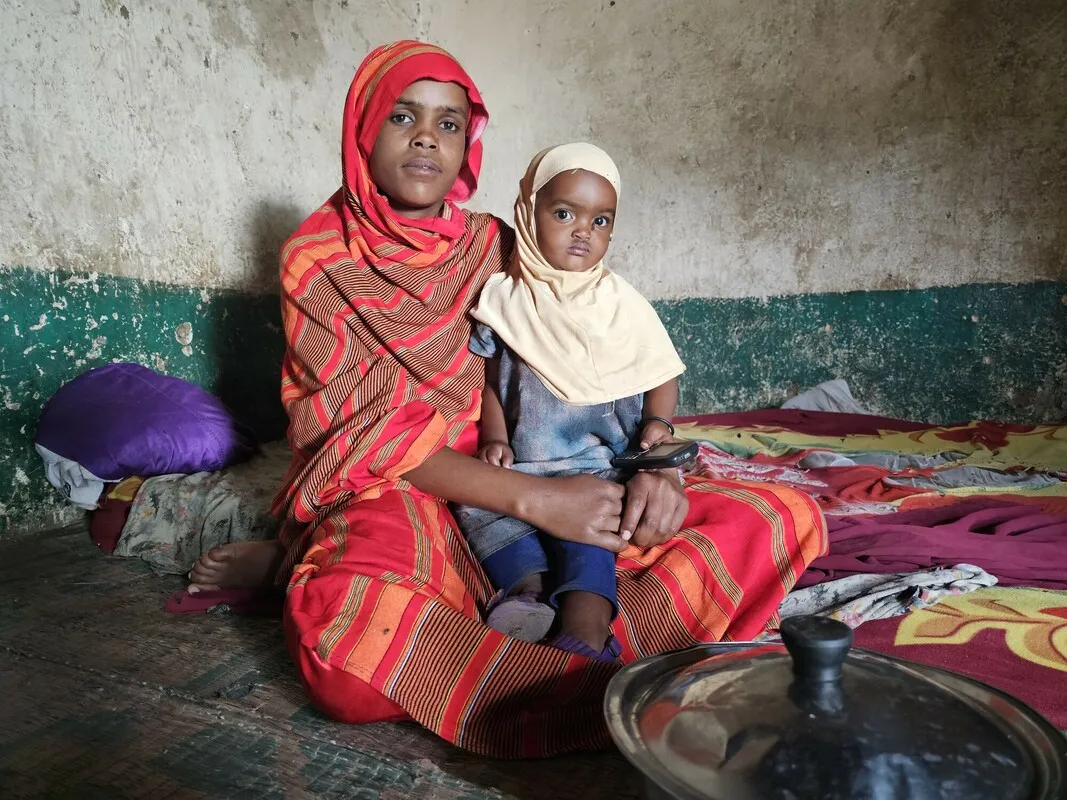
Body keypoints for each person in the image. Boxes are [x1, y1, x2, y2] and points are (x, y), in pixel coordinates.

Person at [189, 40, 827, 758]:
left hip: (535, 461)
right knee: (347, 656)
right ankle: (324, 569)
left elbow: (605, 357)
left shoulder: (499, 246)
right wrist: (538, 500)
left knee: (782, 517)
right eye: (402, 116)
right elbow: (363, 435)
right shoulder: (317, 259)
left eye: (449, 123)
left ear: (468, 144)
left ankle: (518, 629)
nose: (427, 137)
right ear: (362, 129)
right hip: (403, 481)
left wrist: (658, 466)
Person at [455, 142, 689, 662]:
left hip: (599, 461)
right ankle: (528, 592)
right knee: (478, 504)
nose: (583, 231)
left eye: (600, 220)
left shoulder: (622, 304)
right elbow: (491, 381)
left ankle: (588, 627)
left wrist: (658, 424)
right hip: (526, 462)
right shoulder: (504, 299)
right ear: (528, 212)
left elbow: (661, 372)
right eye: (564, 214)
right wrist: (494, 436)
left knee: (598, 526)